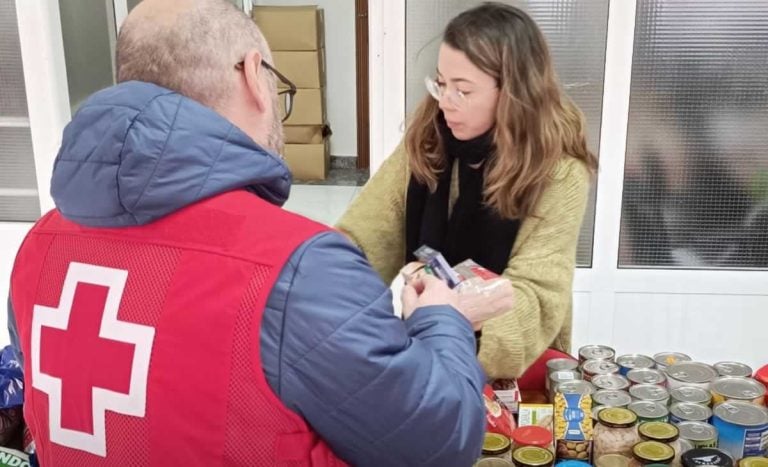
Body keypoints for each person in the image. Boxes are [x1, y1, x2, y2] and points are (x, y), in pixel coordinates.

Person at [6, 1, 486, 465]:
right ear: (254, 75)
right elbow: (440, 444)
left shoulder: (37, 246)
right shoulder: (297, 269)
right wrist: (442, 319)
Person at [337, 2, 598, 379]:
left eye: (463, 90)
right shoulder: (429, 139)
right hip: (426, 348)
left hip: (514, 367)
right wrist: (325, 267)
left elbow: (537, 296)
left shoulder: (558, 173)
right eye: (441, 83)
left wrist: (451, 311)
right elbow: (365, 234)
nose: (445, 103)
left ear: (513, 95)